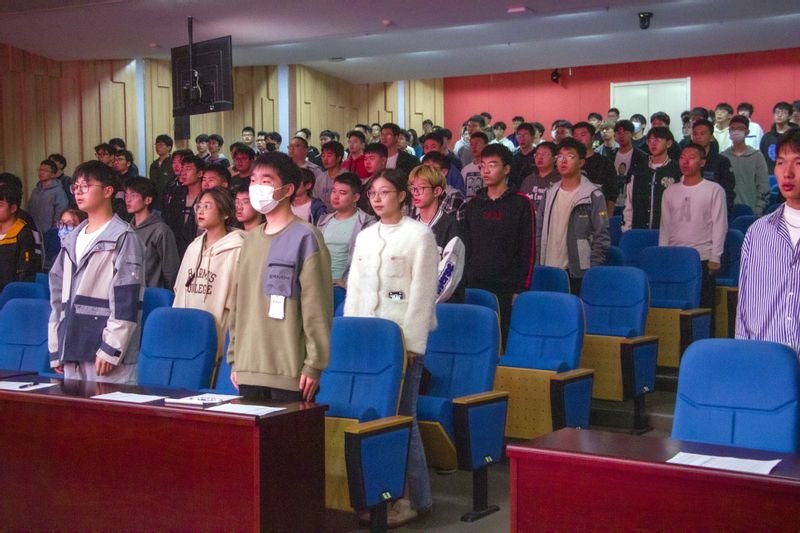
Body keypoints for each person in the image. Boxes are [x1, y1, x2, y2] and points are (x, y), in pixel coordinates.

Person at [344, 169, 438, 527]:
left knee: (403, 417)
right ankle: (376, 493)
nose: (377, 198)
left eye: (385, 192)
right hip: (368, 342)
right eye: (373, 193)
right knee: (375, 419)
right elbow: (355, 289)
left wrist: (412, 343)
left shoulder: (419, 235)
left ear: (401, 195)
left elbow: (422, 294)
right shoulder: (366, 236)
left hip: (402, 343)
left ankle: (413, 498)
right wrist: (351, 336)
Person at [227, 151, 332, 404]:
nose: (256, 188)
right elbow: (238, 303)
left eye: (266, 181)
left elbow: (317, 307)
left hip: (290, 370)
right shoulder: (250, 239)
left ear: (288, 190)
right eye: (253, 181)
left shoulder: (306, 237)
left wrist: (314, 364)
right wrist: (235, 358)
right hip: (249, 366)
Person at [48, 160, 144, 383]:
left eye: (86, 186)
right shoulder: (71, 240)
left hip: (105, 351)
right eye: (75, 187)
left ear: (108, 191)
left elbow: (127, 299)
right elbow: (56, 297)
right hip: (72, 346)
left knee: (109, 405)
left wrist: (111, 348)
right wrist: (56, 346)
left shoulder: (123, 237)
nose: (78, 192)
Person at [461, 143, 534, 345]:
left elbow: (527, 248)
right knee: (475, 340)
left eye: (492, 165)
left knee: (502, 341)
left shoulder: (520, 203)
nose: (485, 170)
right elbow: (466, 245)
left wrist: (521, 288)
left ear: (507, 169)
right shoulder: (474, 204)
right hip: (475, 283)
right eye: (482, 165)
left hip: (506, 286)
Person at [736, 128, 800, 355]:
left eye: (798, 163)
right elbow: (744, 309)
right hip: (766, 363)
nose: (787, 173)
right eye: (781, 163)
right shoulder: (758, 233)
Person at [173, 187, 244, 366]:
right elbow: (179, 290)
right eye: (199, 206)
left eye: (208, 206)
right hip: (187, 333)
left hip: (218, 334)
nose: (201, 211)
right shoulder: (193, 247)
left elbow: (238, 301)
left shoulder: (237, 249)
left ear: (225, 213)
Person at [537, 138, 610, 294]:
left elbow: (601, 236)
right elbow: (538, 230)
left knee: (573, 307)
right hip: (548, 267)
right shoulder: (549, 193)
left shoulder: (593, 195)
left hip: (576, 270)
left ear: (581, 162)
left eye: (570, 156)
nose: (563, 161)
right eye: (560, 156)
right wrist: (537, 263)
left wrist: (593, 269)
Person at [659, 143, 728, 309]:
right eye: (682, 157)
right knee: (676, 307)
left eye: (691, 158)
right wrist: (662, 254)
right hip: (675, 256)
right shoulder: (670, 191)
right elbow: (665, 226)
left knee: (703, 306)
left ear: (702, 162)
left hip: (702, 257)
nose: (685, 162)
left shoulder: (714, 190)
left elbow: (720, 225)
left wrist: (715, 256)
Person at [409, 164, 465, 303]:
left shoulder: (451, 227)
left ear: (437, 191)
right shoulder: (408, 227)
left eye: (421, 188)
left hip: (442, 308)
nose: (415, 192)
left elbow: (446, 281)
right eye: (413, 188)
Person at [316, 173, 375, 287]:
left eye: (342, 193)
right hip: (320, 283)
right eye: (333, 191)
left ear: (355, 197)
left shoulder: (367, 223)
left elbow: (370, 261)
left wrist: (347, 284)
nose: (335, 196)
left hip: (346, 287)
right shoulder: (323, 221)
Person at [622, 126, 681, 231]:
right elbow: (629, 202)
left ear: (669, 143)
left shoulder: (677, 170)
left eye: (657, 140)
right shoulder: (639, 169)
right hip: (639, 230)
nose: (653, 144)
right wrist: (627, 228)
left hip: (667, 231)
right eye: (650, 141)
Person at [124, 177, 179, 289]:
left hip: (152, 293)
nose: (128, 200)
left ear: (148, 200)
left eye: (133, 195)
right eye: (126, 195)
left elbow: (171, 269)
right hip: (130, 292)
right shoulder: (127, 229)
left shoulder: (161, 230)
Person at [721, 115, 770, 215]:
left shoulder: (757, 156)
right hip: (726, 210)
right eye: (732, 129)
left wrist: (759, 207)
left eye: (740, 129)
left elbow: (763, 185)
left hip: (751, 209)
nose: (735, 131)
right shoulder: (723, 157)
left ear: (747, 132)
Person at [692, 118, 736, 216]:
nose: (698, 137)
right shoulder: (685, 160)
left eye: (702, 134)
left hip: (715, 212)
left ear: (711, 137)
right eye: (695, 134)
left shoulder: (722, 162)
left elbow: (727, 192)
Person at [0, 183, 39, 292]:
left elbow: (26, 271)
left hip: (12, 293)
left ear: (13, 208)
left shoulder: (23, 233)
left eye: (0, 205)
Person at [164, 155, 204, 258]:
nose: (183, 173)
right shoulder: (176, 194)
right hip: (176, 250)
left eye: (188, 169)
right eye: (182, 169)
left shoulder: (206, 198)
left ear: (200, 173)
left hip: (198, 250)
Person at [573, 122, 617, 214]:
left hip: (597, 212)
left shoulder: (604, 163)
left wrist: (607, 216)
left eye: (583, 135)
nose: (579, 139)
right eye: (575, 136)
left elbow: (612, 193)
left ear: (593, 138)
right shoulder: (569, 163)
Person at [28, 158, 69, 235]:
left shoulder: (58, 191)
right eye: (40, 170)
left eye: (45, 171)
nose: (41, 172)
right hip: (34, 231)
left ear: (53, 174)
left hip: (51, 232)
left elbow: (60, 212)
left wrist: (54, 229)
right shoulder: (35, 191)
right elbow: (30, 209)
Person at [421, 152, 466, 216]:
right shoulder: (416, 193)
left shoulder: (455, 197)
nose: (427, 173)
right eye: (424, 169)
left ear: (444, 172)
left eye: (432, 169)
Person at [518, 141, 560, 212]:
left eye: (545, 154)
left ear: (555, 158)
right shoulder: (528, 180)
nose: (540, 157)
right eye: (537, 154)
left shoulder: (560, 180)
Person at [761, 102, 795, 173]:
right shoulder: (767, 137)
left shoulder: (795, 135)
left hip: (790, 174)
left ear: (789, 116)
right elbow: (762, 158)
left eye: (783, 113)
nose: (779, 115)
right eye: (777, 112)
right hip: (770, 175)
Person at [315, 140, 346, 212]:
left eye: (329, 156)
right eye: (323, 156)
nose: (325, 159)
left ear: (338, 158)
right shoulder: (320, 179)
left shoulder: (347, 178)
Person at [509, 122, 538, 190]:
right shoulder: (513, 157)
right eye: (519, 135)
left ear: (532, 137)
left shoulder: (537, 157)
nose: (522, 138)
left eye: (525, 135)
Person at [148, 134, 174, 211]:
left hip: (169, 201)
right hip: (155, 201)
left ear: (169, 147)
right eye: (157, 144)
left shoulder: (172, 163)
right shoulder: (154, 164)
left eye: (161, 145)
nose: (158, 147)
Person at [461, 131, 489, 199]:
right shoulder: (465, 169)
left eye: (477, 143)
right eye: (471, 144)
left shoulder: (490, 168)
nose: (474, 147)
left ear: (486, 145)